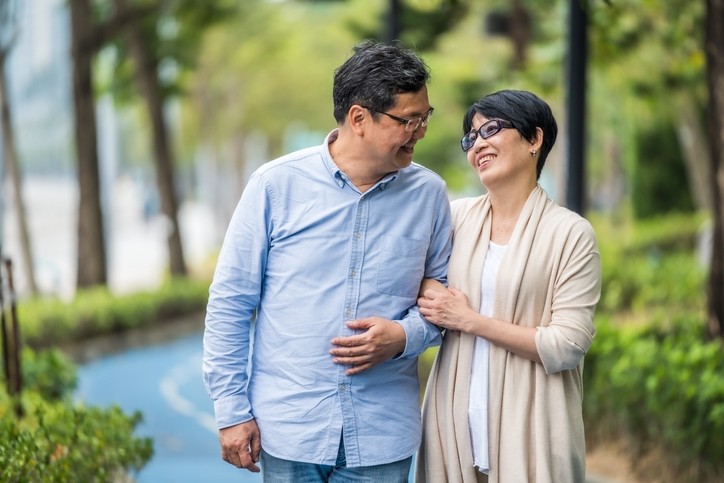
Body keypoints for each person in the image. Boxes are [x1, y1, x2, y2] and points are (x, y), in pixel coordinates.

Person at [202, 40, 453, 483]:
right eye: (408, 120)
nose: (420, 131)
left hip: (381, 436)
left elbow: (445, 303)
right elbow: (231, 303)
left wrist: (403, 335)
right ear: (359, 118)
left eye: (424, 117)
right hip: (290, 429)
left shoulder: (429, 196)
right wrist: (231, 411)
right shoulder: (275, 186)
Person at [414, 89, 601, 483]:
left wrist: (469, 319)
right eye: (471, 137)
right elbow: (413, 277)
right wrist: (438, 296)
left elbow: (566, 345)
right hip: (454, 422)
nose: (478, 143)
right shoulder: (456, 217)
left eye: (492, 129)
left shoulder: (570, 234)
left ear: (534, 139)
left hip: (532, 424)